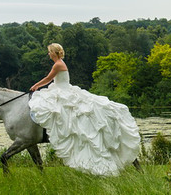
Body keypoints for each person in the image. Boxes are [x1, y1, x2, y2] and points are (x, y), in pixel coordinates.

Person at [28, 43, 141, 176]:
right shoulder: (60, 63)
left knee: (58, 110)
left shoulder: (58, 64)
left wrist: (36, 86)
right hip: (60, 89)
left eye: (49, 52)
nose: (48, 54)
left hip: (63, 91)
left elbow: (48, 79)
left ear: (54, 52)